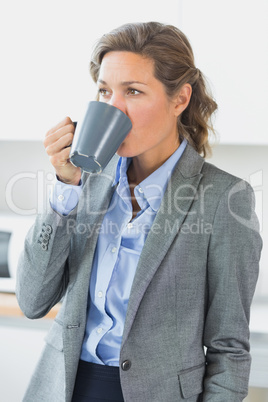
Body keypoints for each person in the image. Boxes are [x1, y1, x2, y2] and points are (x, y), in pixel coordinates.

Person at [16, 21, 262, 402]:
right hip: (63, 386)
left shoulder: (224, 198)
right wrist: (66, 188)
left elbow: (229, 349)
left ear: (179, 99)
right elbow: (32, 301)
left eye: (132, 91)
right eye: (104, 91)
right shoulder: (86, 180)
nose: (114, 107)